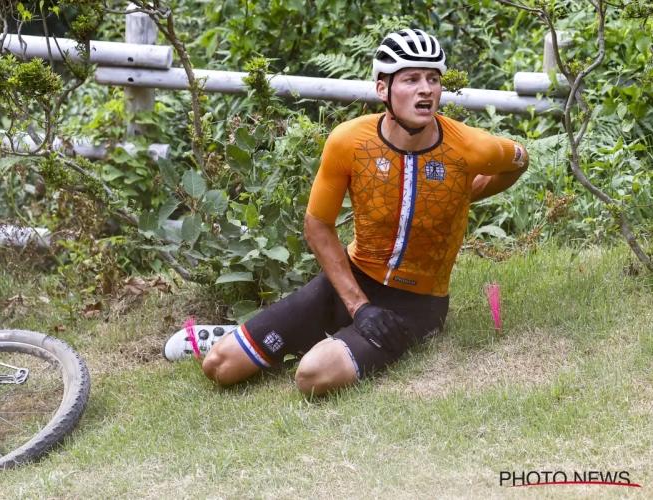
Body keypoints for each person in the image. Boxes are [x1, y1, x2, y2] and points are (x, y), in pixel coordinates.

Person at [163, 28, 529, 397]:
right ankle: (253, 335)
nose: (426, 89)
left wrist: (463, 194)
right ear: (383, 89)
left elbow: (518, 161)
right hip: (350, 283)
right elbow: (317, 225)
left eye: (433, 79)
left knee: (311, 377)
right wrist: (360, 307)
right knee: (219, 367)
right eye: (411, 79)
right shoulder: (350, 141)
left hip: (416, 305)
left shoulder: (470, 146)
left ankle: (321, 342)